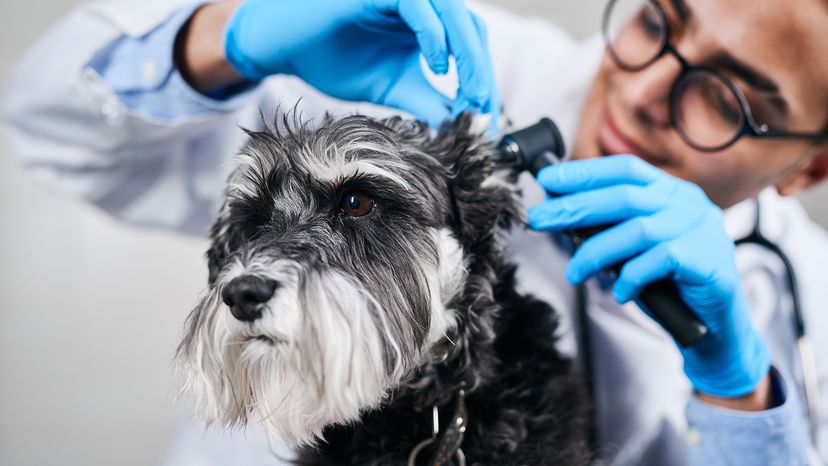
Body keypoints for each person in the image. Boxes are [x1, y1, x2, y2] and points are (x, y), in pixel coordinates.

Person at [2, 0, 827, 464]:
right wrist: (229, 37)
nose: (644, 91)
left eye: (729, 97)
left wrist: (738, 384)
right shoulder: (415, 58)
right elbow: (46, 127)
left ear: (809, 169)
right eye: (656, 21)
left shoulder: (804, 297)